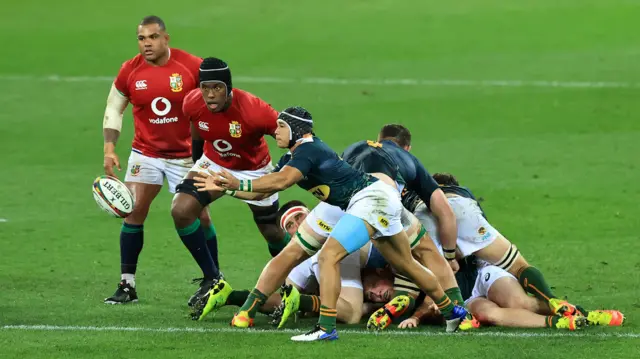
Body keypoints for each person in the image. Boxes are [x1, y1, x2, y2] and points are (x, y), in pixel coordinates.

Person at [192, 107, 468, 341]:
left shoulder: (308, 151)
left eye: (280, 126)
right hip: (378, 197)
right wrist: (226, 188)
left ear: (297, 130)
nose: (274, 131)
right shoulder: (293, 156)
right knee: (407, 264)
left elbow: (282, 182)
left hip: (369, 200)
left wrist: (236, 181)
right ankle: (451, 312)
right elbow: (264, 191)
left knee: (328, 256)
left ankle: (326, 328)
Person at [102, 15, 215, 304]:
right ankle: (127, 284)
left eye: (153, 37)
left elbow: (214, 103)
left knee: (198, 215)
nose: (147, 44)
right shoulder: (130, 70)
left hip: (186, 157)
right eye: (142, 38)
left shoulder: (191, 66)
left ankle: (213, 278)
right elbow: (114, 108)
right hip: (146, 152)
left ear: (166, 38)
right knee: (133, 211)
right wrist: (109, 148)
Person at [172, 57, 287, 306]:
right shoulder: (192, 102)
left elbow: (287, 133)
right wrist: (197, 169)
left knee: (271, 231)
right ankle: (212, 279)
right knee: (182, 210)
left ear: (229, 88)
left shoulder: (255, 110)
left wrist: (287, 167)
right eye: (205, 88)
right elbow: (197, 134)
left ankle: (297, 280)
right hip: (214, 164)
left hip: (254, 170)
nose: (210, 95)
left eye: (217, 88)